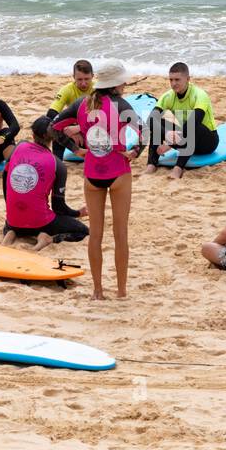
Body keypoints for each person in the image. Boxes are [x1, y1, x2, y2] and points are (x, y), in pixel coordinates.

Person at [54, 60, 140, 299]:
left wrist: (75, 148)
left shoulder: (82, 103)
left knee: (96, 234)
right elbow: (144, 131)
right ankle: (121, 291)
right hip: (119, 172)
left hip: (92, 174)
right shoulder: (121, 105)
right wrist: (134, 153)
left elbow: (53, 127)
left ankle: (97, 291)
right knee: (120, 233)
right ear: (117, 83)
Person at [2, 117, 88, 250]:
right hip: (40, 222)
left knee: (15, 222)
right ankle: (48, 238)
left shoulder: (20, 146)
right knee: (82, 231)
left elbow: (5, 177)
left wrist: (10, 205)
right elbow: (59, 207)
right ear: (53, 137)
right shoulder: (57, 164)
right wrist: (78, 213)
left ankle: (11, 232)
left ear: (32, 134)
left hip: (13, 219)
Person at [144, 62, 220, 180]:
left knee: (193, 126)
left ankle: (178, 168)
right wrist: (167, 134)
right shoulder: (168, 96)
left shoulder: (199, 95)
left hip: (206, 142)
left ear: (188, 79)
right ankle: (152, 164)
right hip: (183, 139)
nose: (173, 84)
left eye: (177, 79)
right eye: (171, 80)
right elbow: (150, 120)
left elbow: (193, 122)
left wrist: (169, 144)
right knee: (158, 122)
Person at [45, 60, 94, 159]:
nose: (83, 83)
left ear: (92, 76)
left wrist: (80, 128)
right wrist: (67, 131)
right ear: (73, 77)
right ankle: (57, 161)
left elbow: (109, 116)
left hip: (94, 129)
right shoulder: (67, 90)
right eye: (79, 79)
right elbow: (51, 113)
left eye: (87, 79)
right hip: (75, 134)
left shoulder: (98, 89)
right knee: (55, 128)